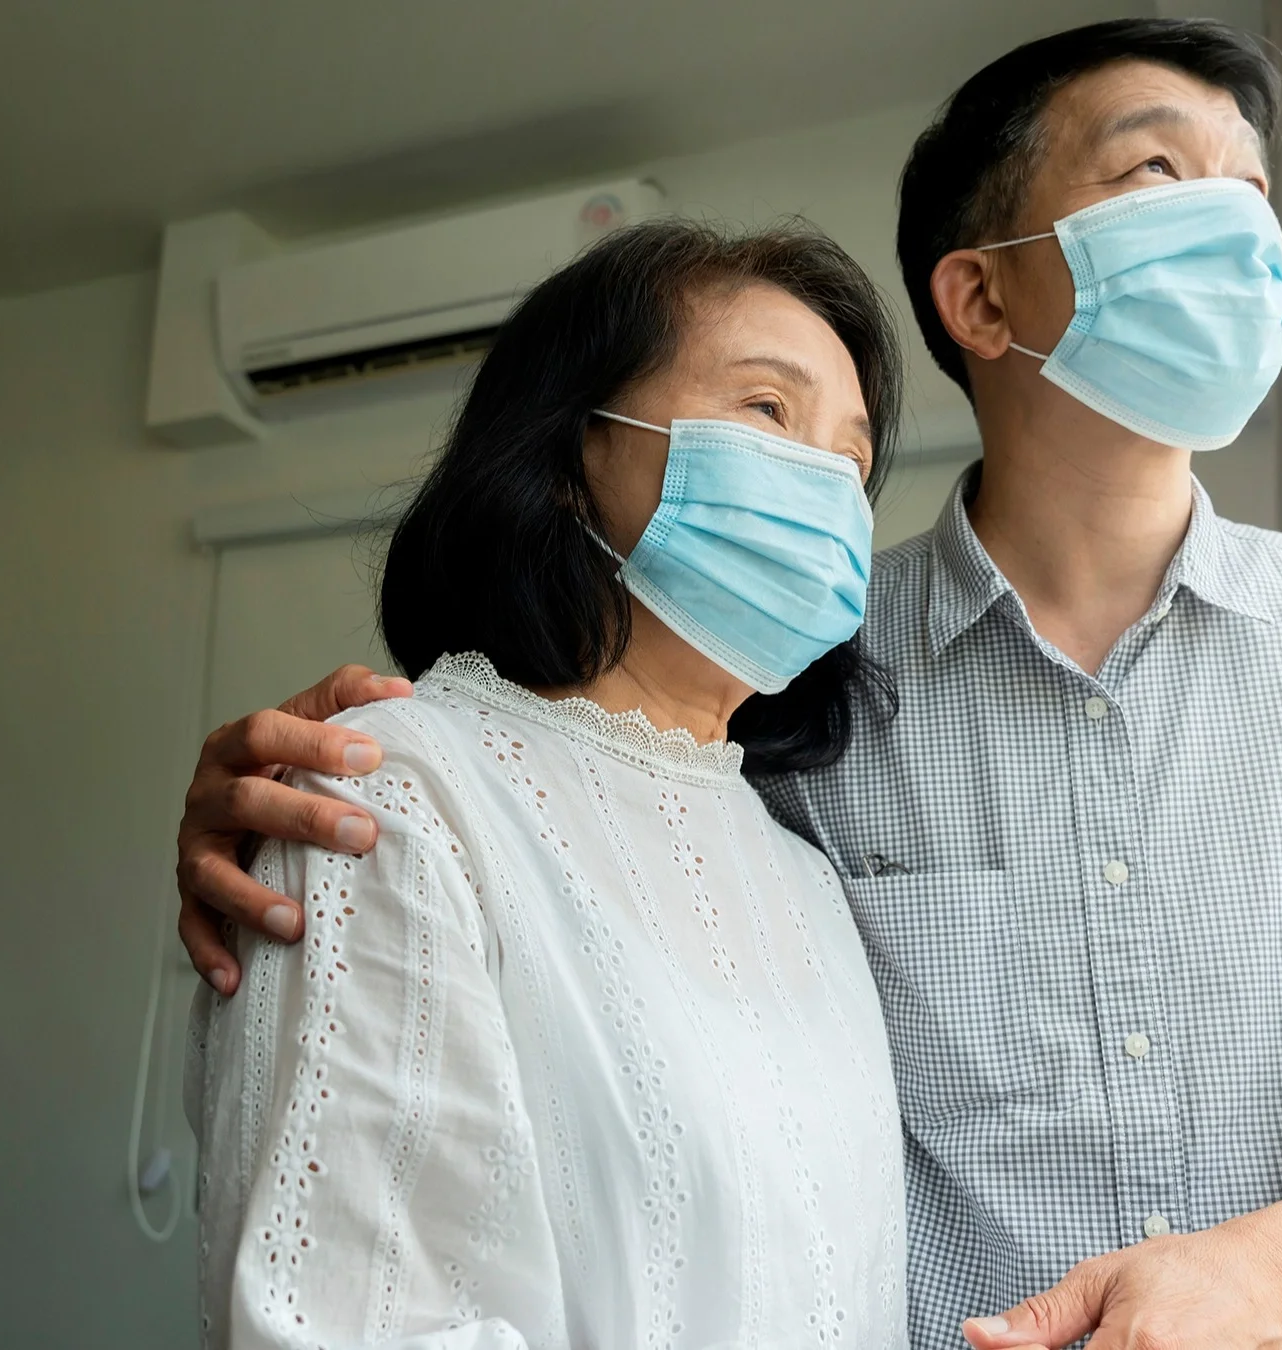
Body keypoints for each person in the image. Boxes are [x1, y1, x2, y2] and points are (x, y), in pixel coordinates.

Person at [176, 19, 1282, 1350]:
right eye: (1159, 176)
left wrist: (1278, 1279)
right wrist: (348, 780)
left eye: (1252, 192)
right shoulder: (805, 687)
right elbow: (594, 812)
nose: (1240, 230)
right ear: (979, 299)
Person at [182, 220, 913, 1347]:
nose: (824, 483)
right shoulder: (395, 790)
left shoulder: (803, 877)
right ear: (576, 457)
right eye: (769, 411)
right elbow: (355, 1318)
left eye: (854, 462)